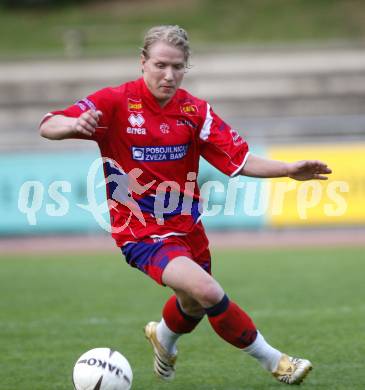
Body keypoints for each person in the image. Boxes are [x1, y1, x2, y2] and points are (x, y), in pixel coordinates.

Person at [40, 25, 331, 385]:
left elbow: (238, 159)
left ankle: (163, 337)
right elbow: (48, 124)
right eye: (161, 65)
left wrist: (288, 169)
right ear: (142, 62)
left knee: (191, 306)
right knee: (208, 290)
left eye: (178, 67)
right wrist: (73, 124)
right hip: (141, 231)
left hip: (188, 228)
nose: (169, 75)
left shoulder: (194, 111)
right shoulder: (115, 102)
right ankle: (277, 362)